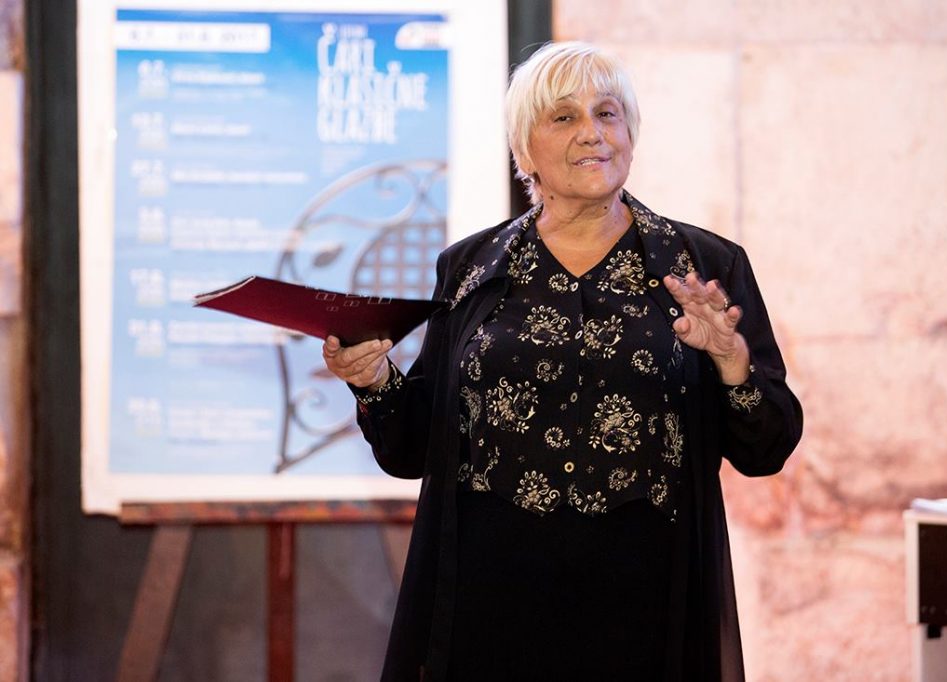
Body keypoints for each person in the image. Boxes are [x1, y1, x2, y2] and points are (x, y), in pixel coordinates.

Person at [322, 41, 802, 682]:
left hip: (648, 597)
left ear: (630, 133)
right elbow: (415, 449)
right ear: (524, 150)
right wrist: (377, 381)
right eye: (564, 116)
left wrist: (731, 361)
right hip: (490, 598)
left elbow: (767, 447)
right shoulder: (469, 269)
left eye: (607, 113)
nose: (592, 133)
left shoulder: (706, 266)